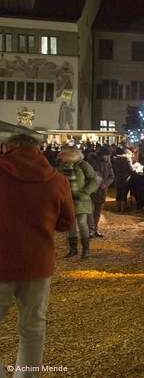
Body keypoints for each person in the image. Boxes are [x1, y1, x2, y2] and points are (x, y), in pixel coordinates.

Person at [0, 134, 75, 377]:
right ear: (39, 150)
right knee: (33, 328)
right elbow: (66, 223)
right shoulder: (58, 180)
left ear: (7, 148)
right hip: (38, 262)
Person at [57, 146, 100, 259]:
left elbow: (94, 179)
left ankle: (86, 249)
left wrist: (85, 191)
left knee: (82, 223)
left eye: (64, 154)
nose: (62, 156)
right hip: (67, 199)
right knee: (70, 224)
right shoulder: (61, 166)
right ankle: (73, 249)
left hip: (81, 199)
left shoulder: (83, 165)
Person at [86, 146, 114, 237]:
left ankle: (95, 229)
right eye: (106, 155)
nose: (108, 157)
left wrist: (105, 184)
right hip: (92, 190)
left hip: (102, 190)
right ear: (102, 154)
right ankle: (91, 230)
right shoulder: (91, 162)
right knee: (90, 211)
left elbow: (111, 176)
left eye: (108, 155)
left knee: (98, 211)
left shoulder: (108, 163)